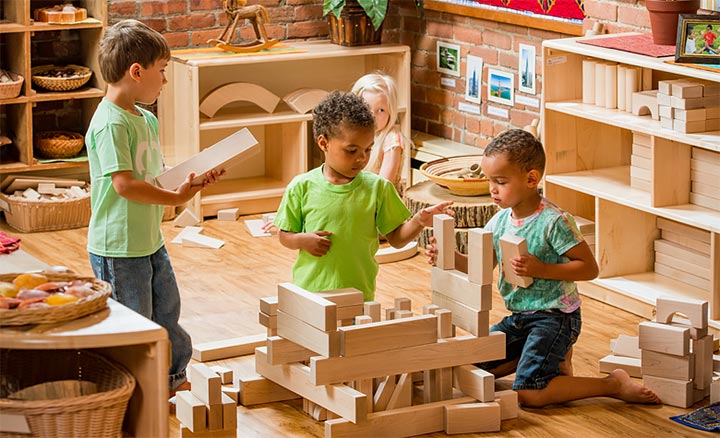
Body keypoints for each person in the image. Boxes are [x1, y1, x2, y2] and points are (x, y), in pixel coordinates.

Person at [426, 129, 659, 408]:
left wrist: (540, 268)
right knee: (471, 368)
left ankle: (612, 384)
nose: (492, 189)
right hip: (519, 318)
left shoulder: (554, 221)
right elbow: (483, 265)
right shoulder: (499, 221)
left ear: (531, 179)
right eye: (490, 181)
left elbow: (589, 268)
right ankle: (543, 359)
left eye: (500, 181)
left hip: (555, 316)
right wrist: (448, 256)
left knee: (529, 392)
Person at [86, 19, 223, 395]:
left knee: (167, 312)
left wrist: (188, 183)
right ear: (136, 71)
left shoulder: (144, 118)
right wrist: (176, 199)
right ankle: (130, 392)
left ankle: (170, 380)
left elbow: (154, 175)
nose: (164, 81)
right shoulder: (109, 124)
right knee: (133, 322)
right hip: (118, 246)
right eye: (161, 72)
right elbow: (125, 185)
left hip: (148, 240)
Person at [274, 91, 453, 302]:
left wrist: (419, 221)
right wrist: (301, 240)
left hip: (360, 295)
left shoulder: (378, 188)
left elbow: (396, 239)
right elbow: (284, 235)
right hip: (310, 293)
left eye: (368, 150)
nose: (362, 158)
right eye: (352, 150)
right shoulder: (301, 187)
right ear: (324, 143)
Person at [351, 72, 410, 194]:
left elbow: (383, 185)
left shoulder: (391, 139)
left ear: (391, 111)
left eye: (381, 110)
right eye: (366, 108)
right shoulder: (355, 133)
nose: (372, 116)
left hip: (380, 203)